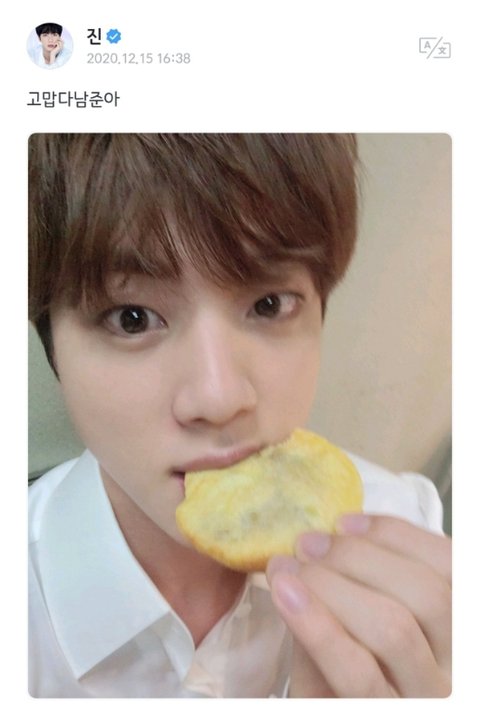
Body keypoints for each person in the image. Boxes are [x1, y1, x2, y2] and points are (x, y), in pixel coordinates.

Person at [28, 133, 451, 697]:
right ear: (51, 348)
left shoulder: (404, 524)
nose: (220, 397)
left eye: (268, 304)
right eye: (133, 318)